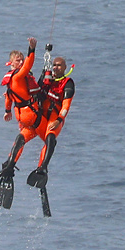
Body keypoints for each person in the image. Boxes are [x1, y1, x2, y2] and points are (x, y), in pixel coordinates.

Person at [26, 51, 76, 189]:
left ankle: (43, 168)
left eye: (59, 65)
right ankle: (10, 164)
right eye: (54, 65)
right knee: (22, 136)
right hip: (41, 115)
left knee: (50, 139)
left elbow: (66, 105)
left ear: (65, 67)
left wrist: (59, 120)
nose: (55, 67)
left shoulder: (68, 83)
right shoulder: (47, 78)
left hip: (55, 117)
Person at [1, 37, 43, 167]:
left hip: (21, 117)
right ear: (11, 63)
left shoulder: (10, 79)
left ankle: (9, 164)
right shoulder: (19, 76)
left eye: (21, 60)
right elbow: (28, 64)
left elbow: (9, 96)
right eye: (17, 60)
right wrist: (32, 49)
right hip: (31, 115)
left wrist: (7, 111)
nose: (21, 62)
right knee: (50, 135)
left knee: (21, 139)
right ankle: (42, 167)